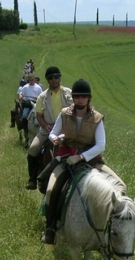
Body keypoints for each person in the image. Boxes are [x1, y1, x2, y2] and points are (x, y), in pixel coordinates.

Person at [40, 78, 115, 245]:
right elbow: (53, 133)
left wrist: (81, 157)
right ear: (73, 97)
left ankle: (113, 231)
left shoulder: (97, 119)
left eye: (84, 96)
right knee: (51, 190)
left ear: (89, 98)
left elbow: (101, 145)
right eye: (77, 96)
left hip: (91, 160)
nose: (80, 99)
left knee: (121, 186)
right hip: (66, 157)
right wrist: (56, 139)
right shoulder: (64, 114)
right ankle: (50, 228)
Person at [25, 66, 73, 190]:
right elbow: (39, 115)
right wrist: (46, 126)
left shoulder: (69, 93)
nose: (54, 80)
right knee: (33, 149)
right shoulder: (42, 97)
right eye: (51, 78)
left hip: (66, 129)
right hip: (48, 129)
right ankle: (32, 179)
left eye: (56, 77)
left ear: (60, 78)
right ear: (47, 80)